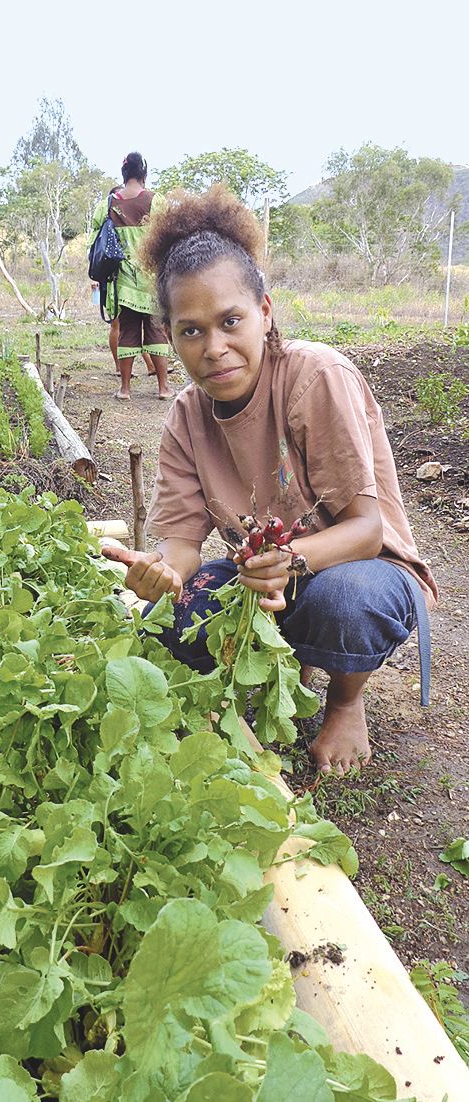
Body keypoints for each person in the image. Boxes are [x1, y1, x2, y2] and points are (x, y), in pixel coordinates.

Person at [102, 185, 437, 776]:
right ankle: (285, 670)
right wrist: (161, 572)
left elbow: (365, 530)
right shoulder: (187, 414)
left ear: (265, 311)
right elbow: (181, 544)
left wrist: (292, 562)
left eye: (230, 321)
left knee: (345, 601)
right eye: (190, 331)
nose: (215, 348)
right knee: (176, 618)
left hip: (362, 567)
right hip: (263, 573)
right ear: (169, 335)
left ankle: (345, 701)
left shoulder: (315, 377)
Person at [90, 153, 173, 401]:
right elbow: (169, 237)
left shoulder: (107, 205)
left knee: (127, 331)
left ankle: (125, 389)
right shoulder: (156, 201)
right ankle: (163, 388)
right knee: (156, 331)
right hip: (151, 280)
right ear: (144, 174)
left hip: (122, 281)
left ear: (124, 175)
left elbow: (94, 240)